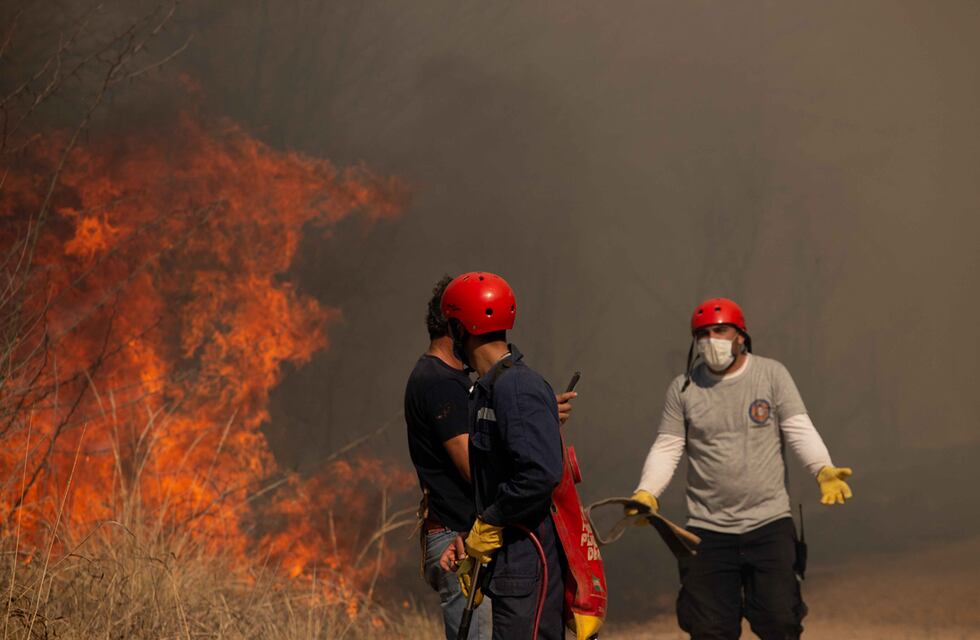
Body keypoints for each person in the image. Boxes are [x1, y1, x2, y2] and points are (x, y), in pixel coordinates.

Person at [627, 297, 853, 640]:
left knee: (780, 622)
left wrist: (823, 468)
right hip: (706, 531)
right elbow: (667, 446)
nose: (711, 340)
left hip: (769, 524)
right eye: (702, 334)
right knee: (709, 630)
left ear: (741, 335)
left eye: (720, 330)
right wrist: (647, 491)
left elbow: (798, 427)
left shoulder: (771, 375)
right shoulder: (684, 388)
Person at [405, 275, 575, 640]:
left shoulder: (514, 386)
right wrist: (470, 535)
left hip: (526, 558)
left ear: (458, 327)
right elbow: (493, 475)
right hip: (504, 559)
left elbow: (539, 474)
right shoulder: (487, 390)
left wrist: (488, 524)